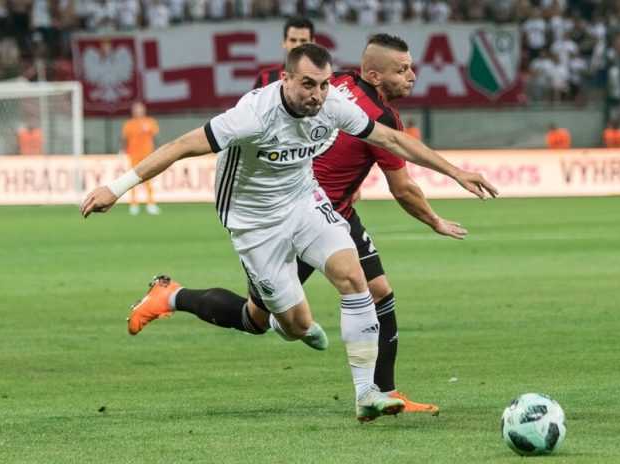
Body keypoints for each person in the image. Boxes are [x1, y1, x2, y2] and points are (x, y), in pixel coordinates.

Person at [80, 43, 498, 422]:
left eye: (323, 85)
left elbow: (392, 139)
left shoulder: (332, 105)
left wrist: (456, 172)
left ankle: (367, 394)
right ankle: (176, 296)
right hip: (255, 222)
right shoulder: (252, 116)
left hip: (303, 202)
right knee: (291, 325)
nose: (316, 94)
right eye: (307, 84)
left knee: (355, 277)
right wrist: (115, 188)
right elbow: (178, 147)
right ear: (286, 79)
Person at [121, 101, 160, 215]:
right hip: (134, 155)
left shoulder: (150, 122)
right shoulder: (129, 124)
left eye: (140, 109)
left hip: (147, 155)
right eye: (136, 109)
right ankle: (134, 204)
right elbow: (124, 139)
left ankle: (151, 203)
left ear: (144, 110)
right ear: (133, 111)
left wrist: (157, 150)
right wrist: (123, 151)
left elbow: (155, 137)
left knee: (148, 179)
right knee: (132, 180)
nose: (138, 111)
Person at [253, 16, 314, 89]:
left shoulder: (324, 78)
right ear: (284, 42)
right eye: (293, 40)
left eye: (303, 40)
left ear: (313, 42)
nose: (297, 45)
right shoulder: (265, 78)